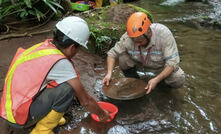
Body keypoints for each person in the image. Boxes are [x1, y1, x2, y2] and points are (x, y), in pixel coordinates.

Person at [0, 16, 110, 134]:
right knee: (67, 89)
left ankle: (43, 117)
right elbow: (86, 101)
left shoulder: (44, 47)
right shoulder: (60, 63)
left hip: (10, 107)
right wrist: (103, 114)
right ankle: (42, 130)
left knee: (57, 84)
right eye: (78, 49)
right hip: (19, 116)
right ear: (72, 47)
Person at [102, 12, 185, 94]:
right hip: (140, 65)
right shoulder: (128, 37)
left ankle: (164, 87)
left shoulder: (164, 35)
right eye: (134, 41)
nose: (137, 44)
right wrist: (109, 74)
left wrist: (157, 79)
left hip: (160, 68)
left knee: (178, 78)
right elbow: (112, 54)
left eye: (140, 41)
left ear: (149, 33)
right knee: (122, 57)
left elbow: (172, 63)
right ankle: (135, 81)